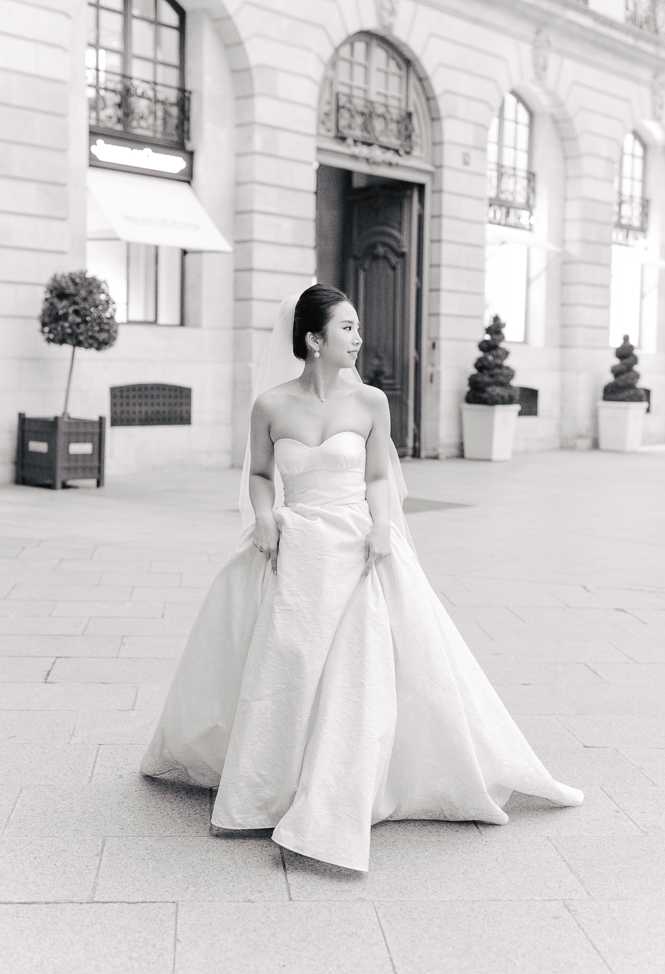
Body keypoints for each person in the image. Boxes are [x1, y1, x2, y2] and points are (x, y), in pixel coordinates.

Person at [139, 282, 584, 873]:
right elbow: (261, 474)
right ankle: (269, 783)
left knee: (362, 663)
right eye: (346, 327)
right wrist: (266, 518)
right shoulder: (271, 405)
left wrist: (383, 527)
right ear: (313, 338)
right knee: (288, 658)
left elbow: (379, 476)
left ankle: (347, 783)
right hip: (294, 541)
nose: (358, 337)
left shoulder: (372, 401)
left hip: (358, 540)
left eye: (356, 326)